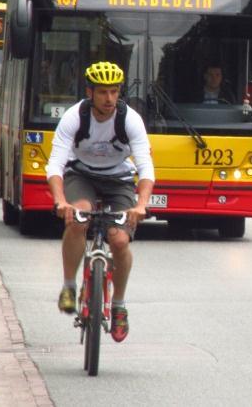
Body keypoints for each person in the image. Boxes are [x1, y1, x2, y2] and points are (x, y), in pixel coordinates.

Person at [46, 61, 154, 343]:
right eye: (103, 92)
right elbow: (55, 164)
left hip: (118, 179)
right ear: (90, 92)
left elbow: (145, 167)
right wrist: (60, 201)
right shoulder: (74, 117)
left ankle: (118, 306)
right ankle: (69, 286)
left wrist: (140, 204)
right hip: (81, 174)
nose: (109, 99)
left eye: (114, 92)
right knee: (79, 217)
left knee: (118, 240)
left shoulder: (129, 119)